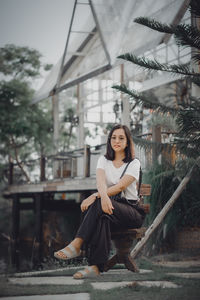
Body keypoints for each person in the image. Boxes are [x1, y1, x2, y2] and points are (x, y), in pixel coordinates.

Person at [54, 124, 145, 279]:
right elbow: (100, 182)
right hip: (109, 209)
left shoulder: (133, 163)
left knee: (99, 206)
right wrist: (101, 195)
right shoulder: (103, 160)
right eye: (113, 137)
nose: (117, 141)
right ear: (109, 140)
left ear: (128, 141)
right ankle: (96, 267)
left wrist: (96, 196)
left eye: (121, 138)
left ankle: (77, 244)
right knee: (103, 217)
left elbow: (120, 186)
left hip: (131, 213)